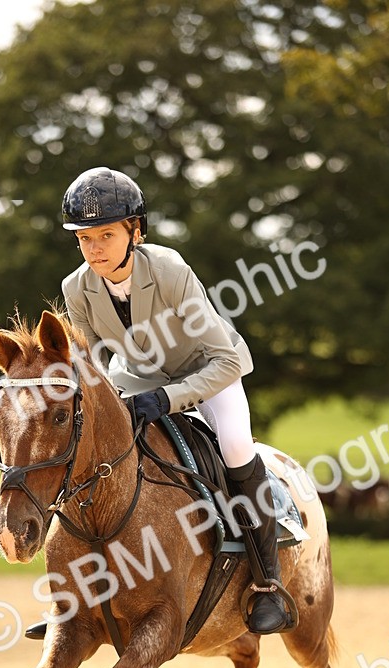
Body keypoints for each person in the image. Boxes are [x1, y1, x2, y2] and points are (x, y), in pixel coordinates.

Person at [58, 166, 295, 635]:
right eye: (85, 238)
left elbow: (226, 361)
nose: (95, 249)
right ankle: (74, 596)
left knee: (234, 446)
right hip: (138, 377)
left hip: (208, 372)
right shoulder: (75, 288)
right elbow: (89, 366)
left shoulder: (167, 270)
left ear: (135, 231)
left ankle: (267, 584)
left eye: (106, 234)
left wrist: (167, 400)